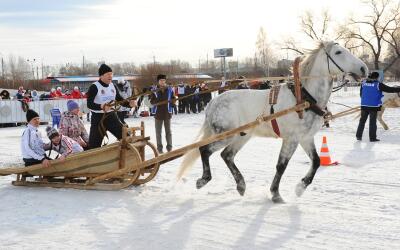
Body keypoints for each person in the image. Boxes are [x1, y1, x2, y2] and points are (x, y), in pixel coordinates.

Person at [86, 64, 136, 149]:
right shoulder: (94, 86)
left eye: (111, 74)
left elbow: (119, 99)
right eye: (108, 74)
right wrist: (101, 106)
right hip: (98, 119)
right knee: (93, 146)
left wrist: (129, 104)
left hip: (111, 116)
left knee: (126, 137)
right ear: (101, 75)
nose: (111, 76)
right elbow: (89, 104)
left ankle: (129, 157)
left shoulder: (113, 85)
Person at [356, 71, 400, 142]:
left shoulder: (363, 83)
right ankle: (372, 138)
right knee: (372, 122)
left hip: (364, 105)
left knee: (362, 121)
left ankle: (358, 136)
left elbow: (361, 94)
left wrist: (366, 100)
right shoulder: (378, 85)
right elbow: (390, 89)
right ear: (377, 77)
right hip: (373, 106)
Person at [150, 74, 176, 153]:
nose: (163, 82)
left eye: (164, 80)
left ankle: (169, 147)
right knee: (158, 132)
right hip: (158, 113)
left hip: (167, 113)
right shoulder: (154, 90)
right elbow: (151, 101)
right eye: (161, 80)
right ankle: (159, 148)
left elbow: (173, 98)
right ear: (158, 81)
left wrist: (173, 102)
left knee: (168, 132)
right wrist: (156, 102)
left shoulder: (170, 89)